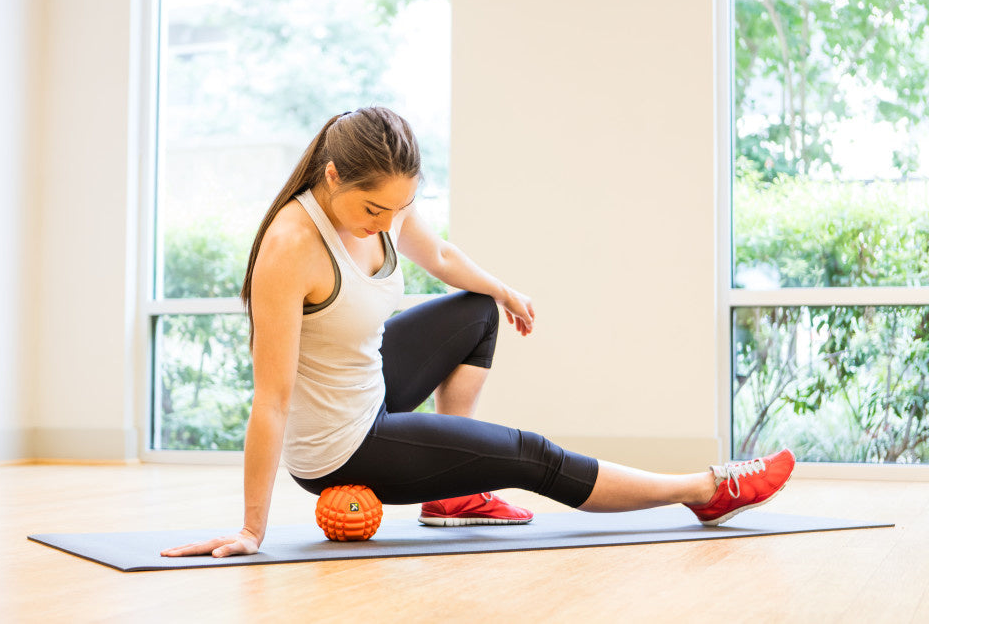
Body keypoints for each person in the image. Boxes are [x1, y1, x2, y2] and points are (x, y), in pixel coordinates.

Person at [160, 107, 794, 559]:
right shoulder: (290, 248)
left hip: (367, 385)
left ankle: (455, 497)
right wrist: (252, 529)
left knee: (478, 309)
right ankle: (705, 490)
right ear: (331, 177)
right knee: (531, 455)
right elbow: (271, 400)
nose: (385, 221)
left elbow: (440, 254)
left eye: (399, 208)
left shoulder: (386, 205)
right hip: (339, 447)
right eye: (373, 209)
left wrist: (505, 290)